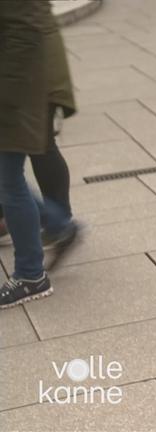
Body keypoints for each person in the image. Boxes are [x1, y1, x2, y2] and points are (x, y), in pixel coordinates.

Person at [0, 2, 79, 266]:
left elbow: (25, 27)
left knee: (38, 148)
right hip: (27, 66)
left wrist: (8, 94)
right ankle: (54, 224)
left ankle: (59, 225)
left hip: (31, 70)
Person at [0, 1, 52, 308]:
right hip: (14, 92)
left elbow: (26, 33)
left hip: (12, 98)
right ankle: (59, 223)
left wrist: (5, 96)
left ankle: (31, 275)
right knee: (7, 180)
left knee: (8, 180)